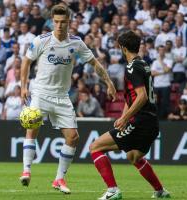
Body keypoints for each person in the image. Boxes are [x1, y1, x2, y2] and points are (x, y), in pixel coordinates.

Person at [20, 5, 116, 194]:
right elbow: (26, 61)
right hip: (40, 92)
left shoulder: (76, 43)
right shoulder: (42, 40)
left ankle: (59, 179)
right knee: (32, 128)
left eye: (63, 22)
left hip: (62, 97)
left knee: (73, 137)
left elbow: (94, 63)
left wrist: (109, 83)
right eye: (56, 22)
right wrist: (23, 86)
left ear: (69, 22)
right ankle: (26, 171)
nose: (59, 25)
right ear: (52, 22)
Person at [89, 31, 170, 200]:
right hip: (150, 122)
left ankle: (112, 190)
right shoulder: (143, 64)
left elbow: (142, 97)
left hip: (141, 121)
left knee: (95, 147)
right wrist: (124, 116)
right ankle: (160, 191)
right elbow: (131, 97)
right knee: (133, 156)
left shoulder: (132, 67)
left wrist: (125, 118)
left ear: (123, 48)